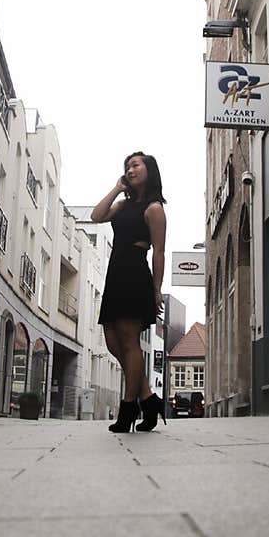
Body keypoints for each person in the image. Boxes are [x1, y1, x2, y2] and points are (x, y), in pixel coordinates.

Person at [90, 151, 167, 433]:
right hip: (115, 272)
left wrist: (156, 290)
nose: (130, 169)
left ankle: (128, 407)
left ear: (149, 170)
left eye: (136, 165)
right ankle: (149, 399)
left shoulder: (154, 209)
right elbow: (96, 215)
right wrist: (117, 187)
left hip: (135, 273)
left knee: (129, 341)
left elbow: (158, 251)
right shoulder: (123, 204)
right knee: (113, 342)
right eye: (127, 166)